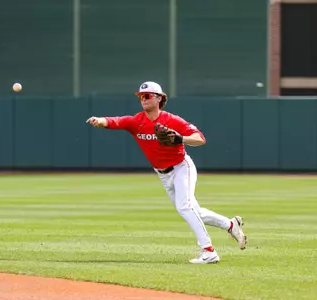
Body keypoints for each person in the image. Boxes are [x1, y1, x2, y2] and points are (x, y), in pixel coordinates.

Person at [86, 81, 246, 264]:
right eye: (140, 96)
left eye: (147, 96)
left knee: (185, 207)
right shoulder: (137, 121)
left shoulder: (172, 120)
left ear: (159, 98)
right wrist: (100, 121)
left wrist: (180, 138)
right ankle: (231, 224)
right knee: (194, 211)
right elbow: (116, 121)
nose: (143, 99)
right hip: (163, 174)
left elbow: (200, 139)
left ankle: (208, 251)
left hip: (181, 167)